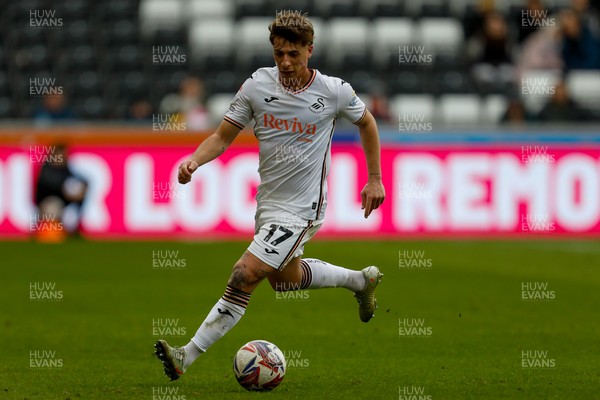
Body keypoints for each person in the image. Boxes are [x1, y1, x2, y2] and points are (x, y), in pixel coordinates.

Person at [154, 11, 386, 381]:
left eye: (294, 53)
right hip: (270, 205)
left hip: (303, 208)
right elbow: (221, 137)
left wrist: (374, 178)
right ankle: (361, 281)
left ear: (310, 50)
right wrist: (193, 161)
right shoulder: (257, 86)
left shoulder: (333, 91)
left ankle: (187, 354)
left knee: (244, 274)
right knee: (284, 280)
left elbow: (367, 122)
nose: (286, 62)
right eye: (279, 53)